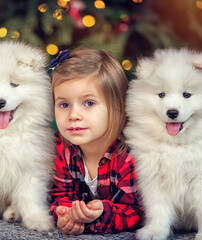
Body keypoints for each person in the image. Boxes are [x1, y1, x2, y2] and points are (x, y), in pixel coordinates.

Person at [49, 47, 143, 235]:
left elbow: (136, 212)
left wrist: (101, 214)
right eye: (64, 104)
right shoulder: (62, 149)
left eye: (89, 103)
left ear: (117, 107)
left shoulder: (129, 157)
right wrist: (66, 213)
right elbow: (59, 195)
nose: (74, 115)